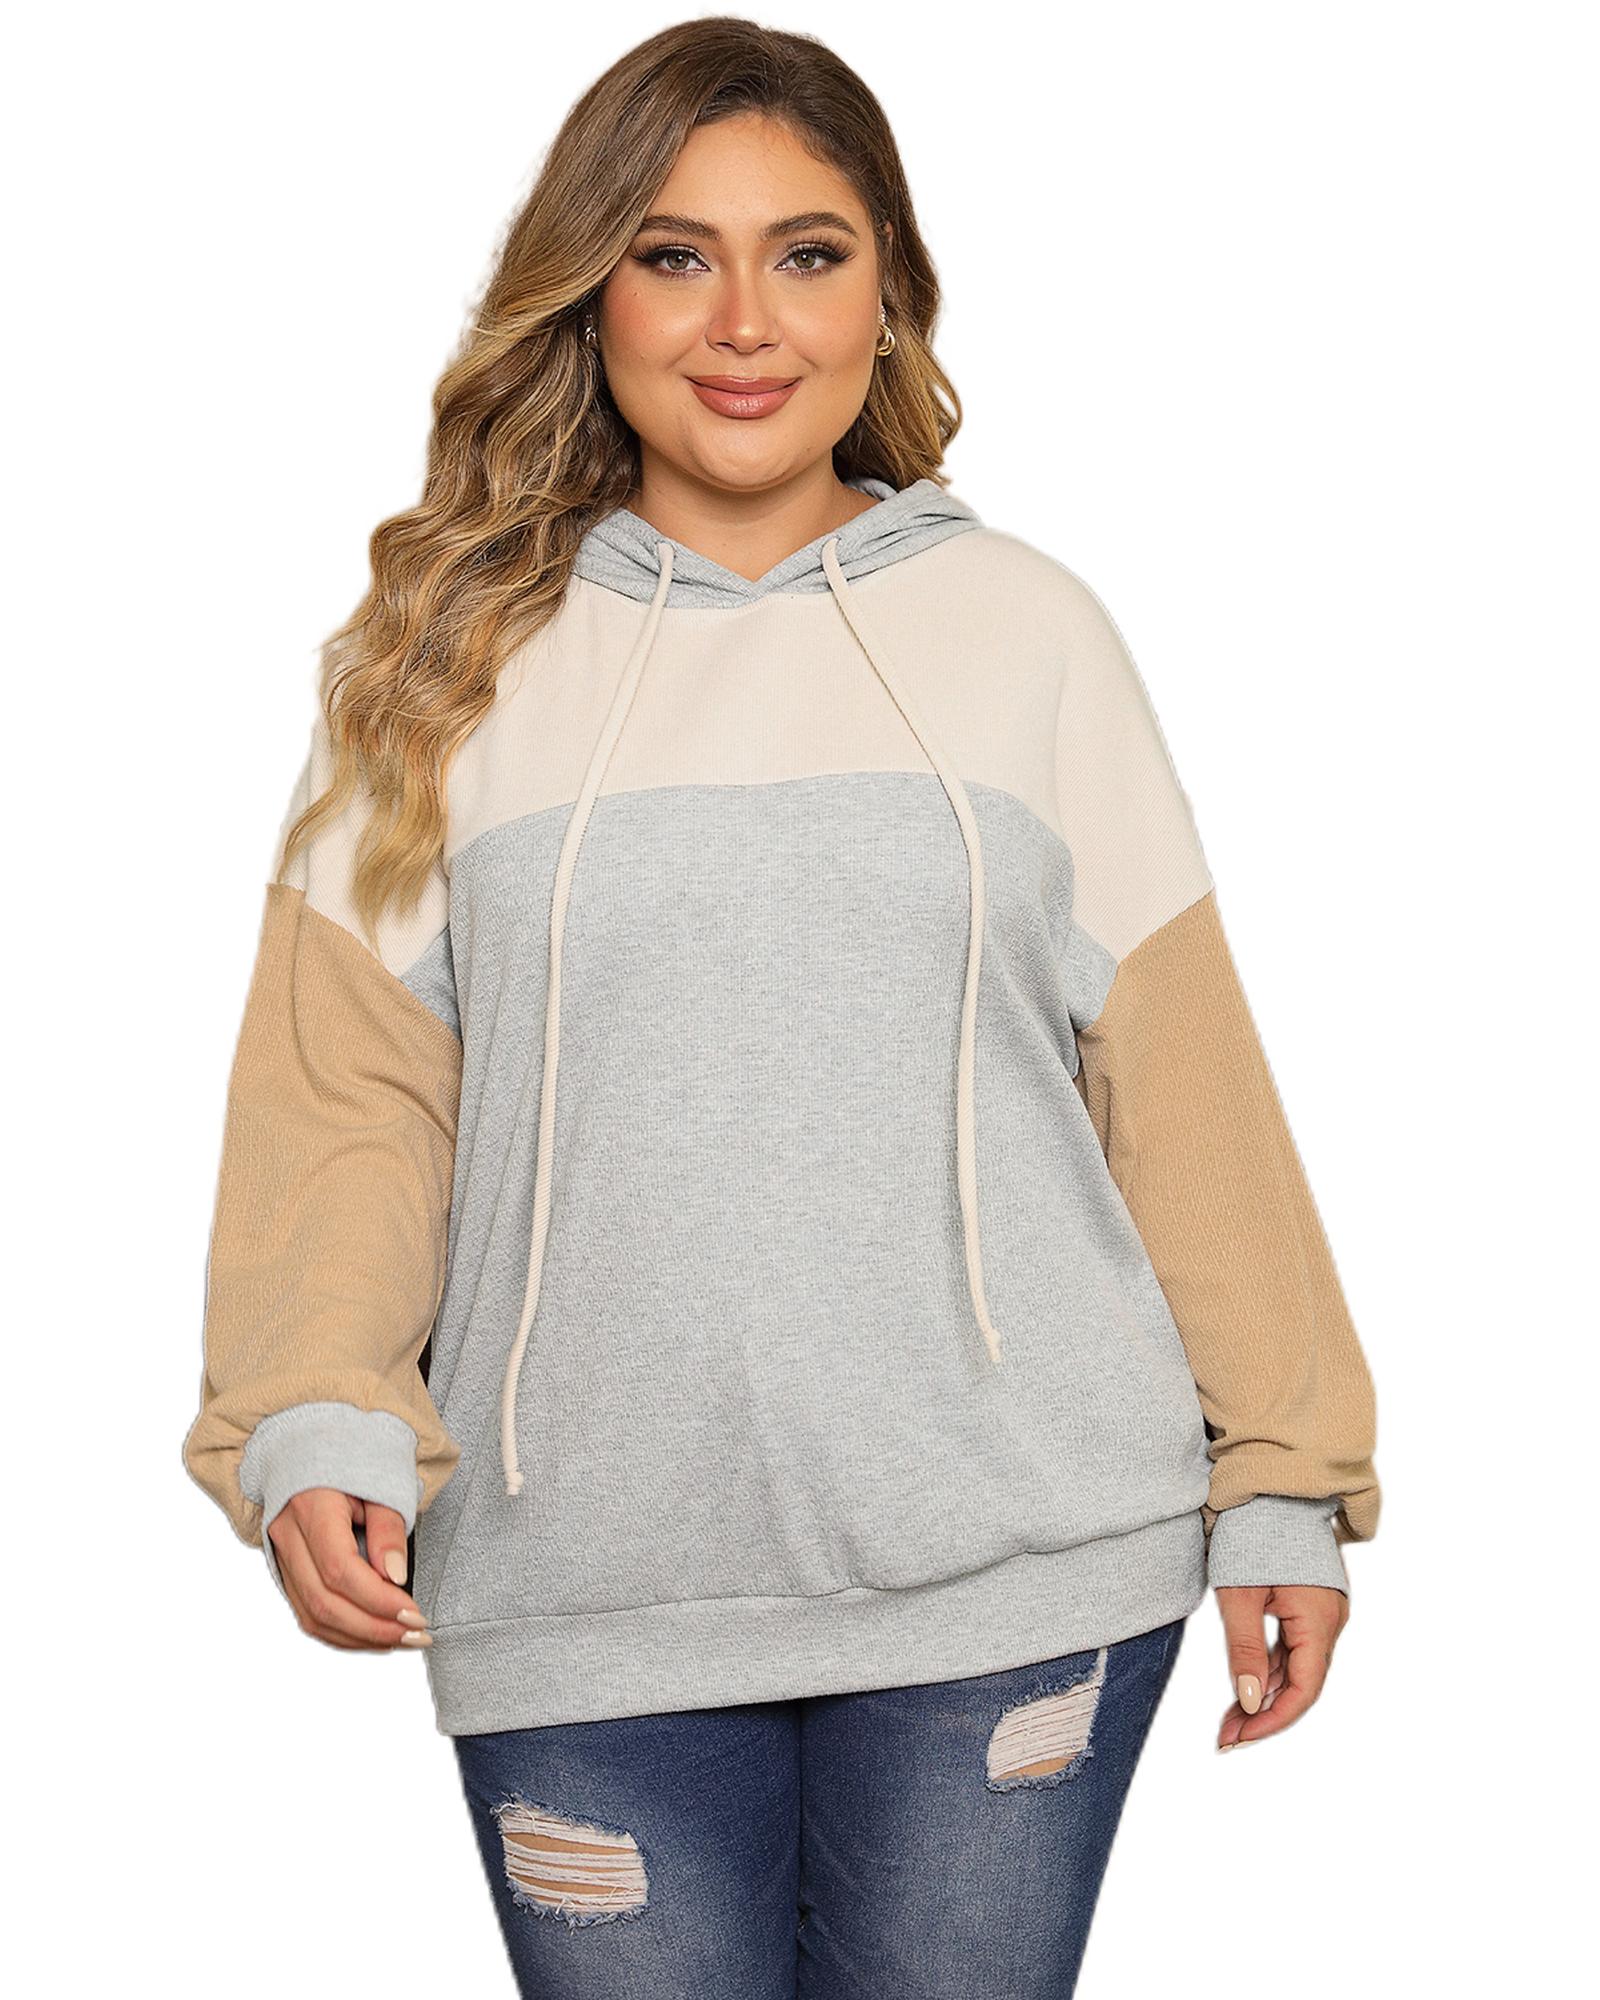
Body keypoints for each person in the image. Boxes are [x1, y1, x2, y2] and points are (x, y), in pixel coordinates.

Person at [181, 18, 1381, 1997]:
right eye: (673, 255)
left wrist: (1282, 1478)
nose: (743, 322)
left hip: (1017, 1573)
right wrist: (315, 1409)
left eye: (807, 255)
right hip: (580, 1587)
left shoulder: (1027, 634)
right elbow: (349, 1100)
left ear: (885, 293)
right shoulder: (436, 665)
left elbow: (1176, 1087)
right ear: (590, 294)